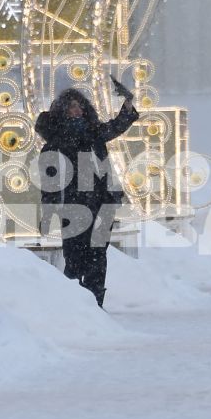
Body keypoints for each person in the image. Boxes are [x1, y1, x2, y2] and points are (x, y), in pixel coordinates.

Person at [35, 84, 138, 307]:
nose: (78, 110)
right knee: (74, 258)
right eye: (72, 107)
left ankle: (96, 306)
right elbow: (49, 180)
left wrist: (127, 105)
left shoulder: (93, 133)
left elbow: (116, 127)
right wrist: (48, 211)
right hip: (73, 206)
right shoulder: (56, 142)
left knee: (98, 255)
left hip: (101, 204)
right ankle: (75, 307)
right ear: (63, 110)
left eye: (80, 106)